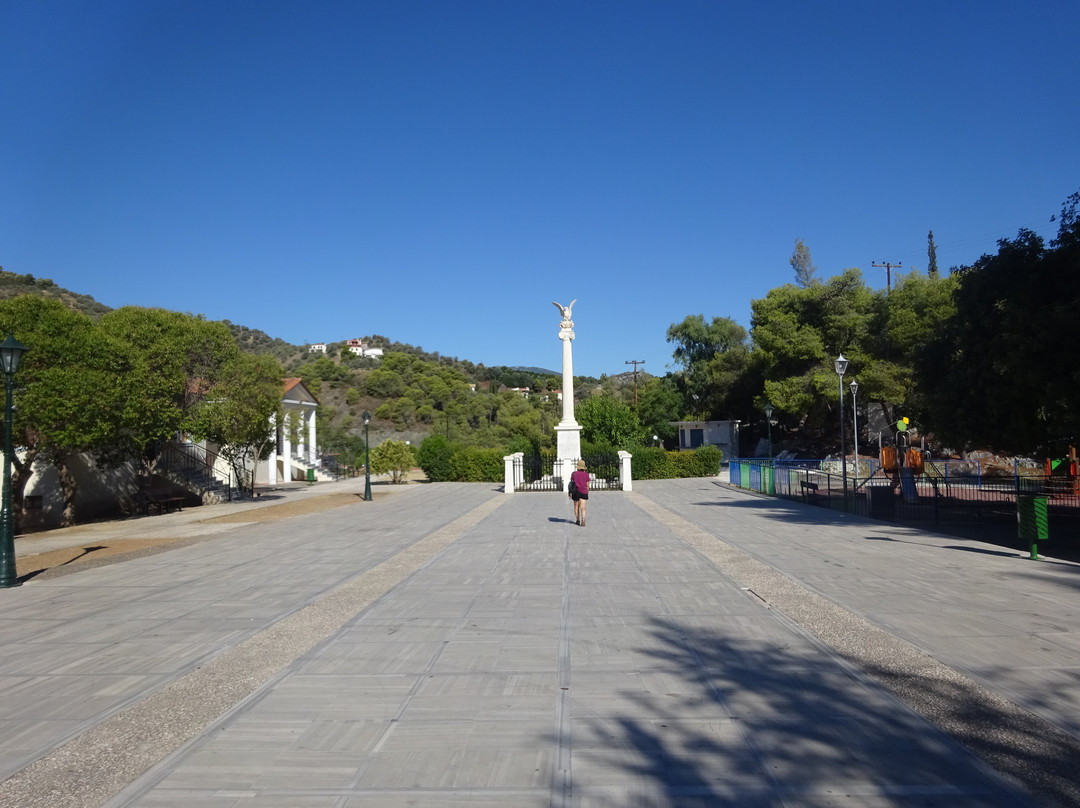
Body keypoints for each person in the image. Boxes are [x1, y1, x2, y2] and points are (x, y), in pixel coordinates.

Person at [569, 459, 590, 526]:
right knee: (583, 507)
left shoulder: (574, 474)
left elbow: (571, 483)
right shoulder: (586, 475)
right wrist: (587, 491)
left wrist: (569, 492)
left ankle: (578, 520)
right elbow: (587, 485)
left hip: (575, 492)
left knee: (576, 507)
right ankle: (583, 521)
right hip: (583, 491)